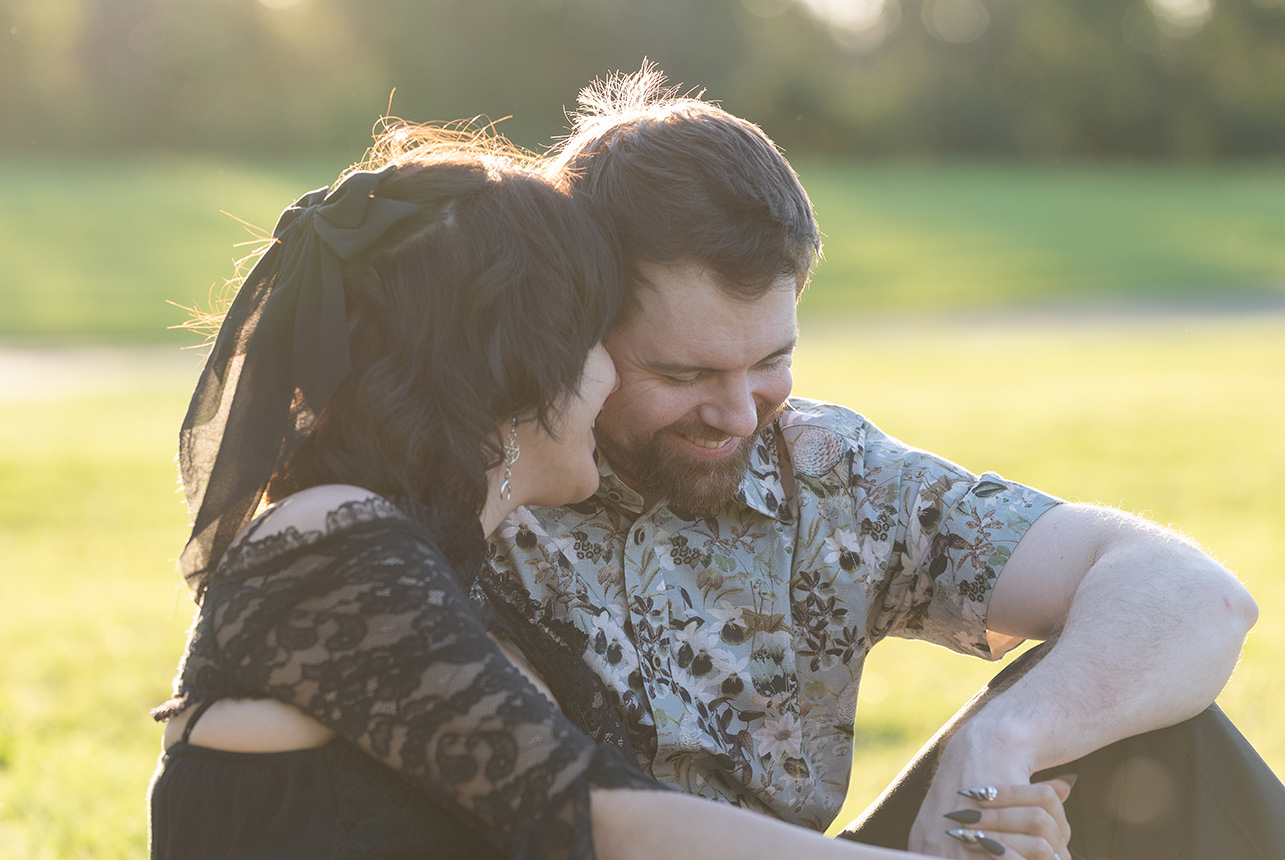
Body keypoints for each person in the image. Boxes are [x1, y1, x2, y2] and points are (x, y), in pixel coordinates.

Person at [149, 123, 1058, 860]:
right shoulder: (326, 542)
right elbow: (604, 820)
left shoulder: (442, 570)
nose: (607, 374)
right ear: (515, 370)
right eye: (594, 339)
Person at [480, 67, 1285, 860]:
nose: (735, 415)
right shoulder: (490, 483)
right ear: (574, 331)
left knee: (1155, 732)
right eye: (682, 375)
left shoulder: (827, 469)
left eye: (769, 361)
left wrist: (999, 752)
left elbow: (1195, 600)